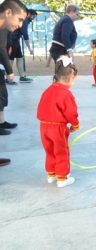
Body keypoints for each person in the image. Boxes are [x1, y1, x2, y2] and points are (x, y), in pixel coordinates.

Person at [37, 56, 79, 188]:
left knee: (49, 150)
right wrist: (75, 124)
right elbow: (71, 113)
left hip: (44, 127)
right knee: (61, 151)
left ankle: (51, 174)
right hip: (57, 128)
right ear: (71, 77)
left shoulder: (48, 90)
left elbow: (41, 107)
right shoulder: (66, 94)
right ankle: (62, 178)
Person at [0, 0, 27, 167]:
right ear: (8, 13)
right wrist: (10, 70)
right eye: (20, 19)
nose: (20, 25)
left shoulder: (3, 29)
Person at [6, 8, 36, 84]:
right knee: (10, 59)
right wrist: (29, 48)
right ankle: (8, 79)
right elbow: (25, 34)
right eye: (33, 16)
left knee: (20, 58)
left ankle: (22, 76)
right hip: (11, 40)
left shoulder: (23, 19)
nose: (33, 18)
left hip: (16, 41)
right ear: (28, 14)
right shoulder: (25, 20)